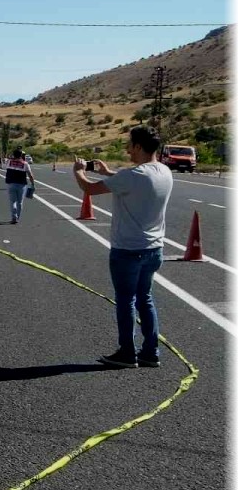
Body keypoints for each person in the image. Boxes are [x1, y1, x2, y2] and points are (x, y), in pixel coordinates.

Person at [75, 127, 173, 369]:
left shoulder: (132, 176)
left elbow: (88, 189)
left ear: (139, 146)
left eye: (130, 144)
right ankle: (151, 352)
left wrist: (78, 172)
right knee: (145, 299)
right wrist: (108, 172)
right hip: (154, 248)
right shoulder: (163, 171)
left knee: (125, 301)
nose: (127, 148)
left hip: (128, 249)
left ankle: (127, 353)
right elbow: (134, 180)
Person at [4, 148, 36, 224]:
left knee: (13, 201)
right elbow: (30, 175)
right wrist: (32, 184)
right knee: (20, 202)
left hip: (11, 184)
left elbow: (7, 167)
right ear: (21, 155)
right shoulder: (25, 164)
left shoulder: (9, 162)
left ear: (13, 155)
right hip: (21, 185)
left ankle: (13, 217)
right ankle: (17, 217)